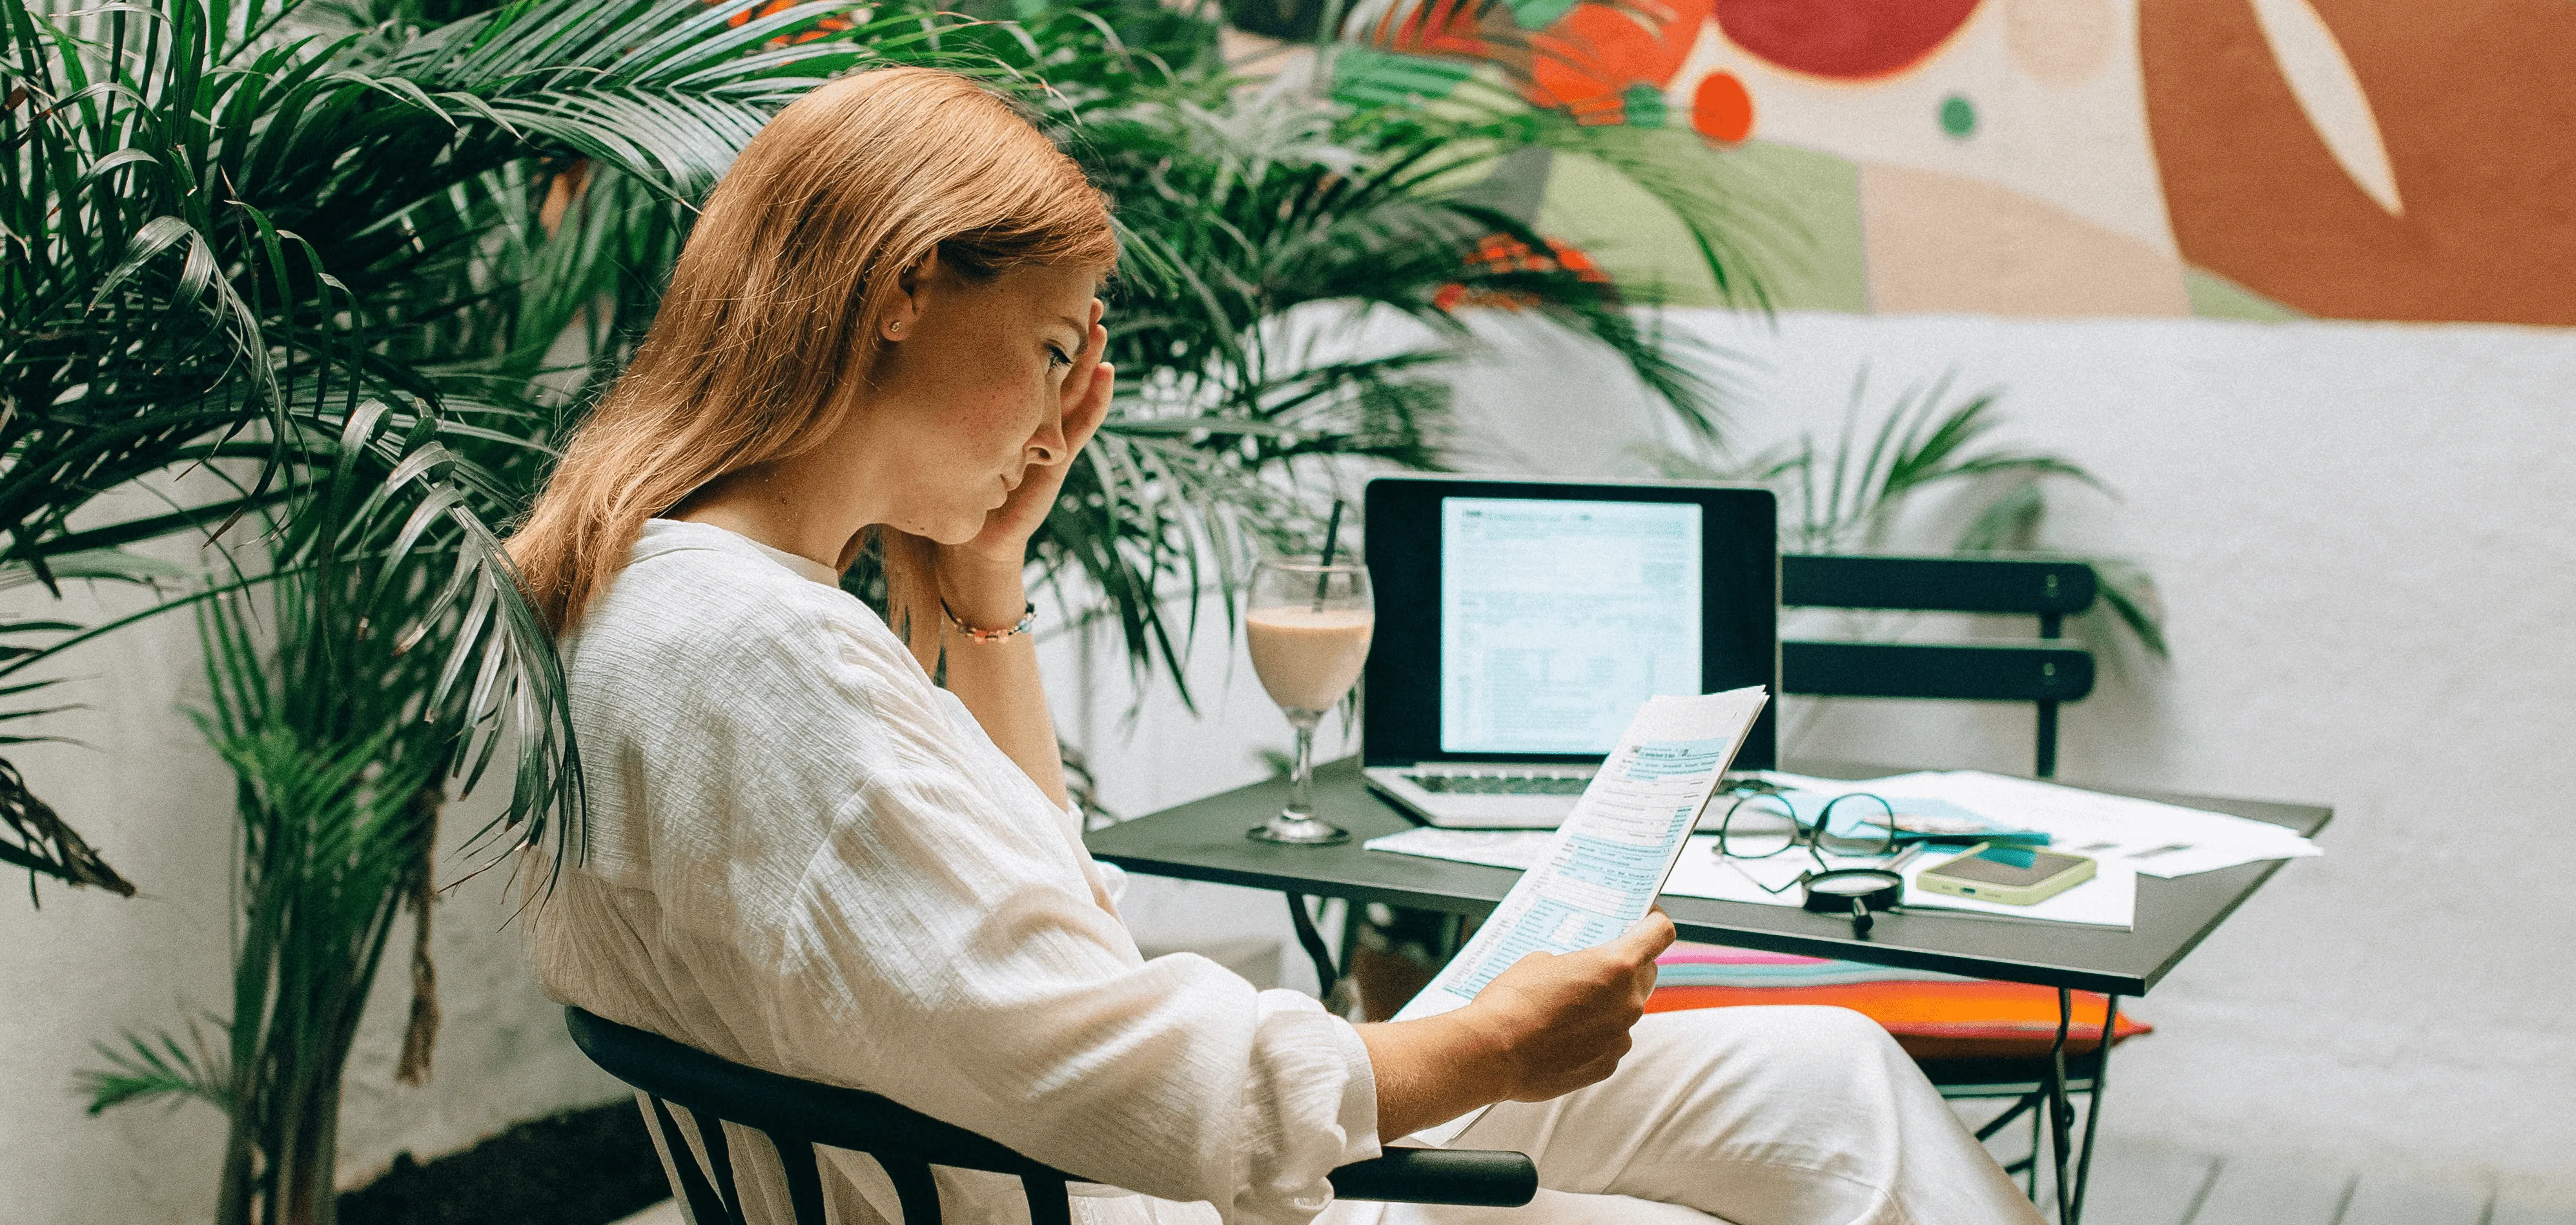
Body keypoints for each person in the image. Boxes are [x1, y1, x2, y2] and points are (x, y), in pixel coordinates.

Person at [510, 66, 2047, 1225]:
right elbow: (1136, 1079)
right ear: (907, 283)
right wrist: (1491, 1044)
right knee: (1779, 1157)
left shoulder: (663, 598)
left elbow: (1050, 948)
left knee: (1829, 1073)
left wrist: (985, 582)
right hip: (1151, 1188)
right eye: (1049, 348)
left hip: (1112, 1159)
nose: (1057, 415)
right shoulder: (761, 663)